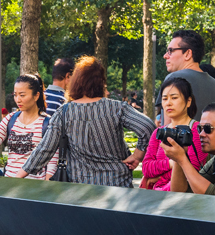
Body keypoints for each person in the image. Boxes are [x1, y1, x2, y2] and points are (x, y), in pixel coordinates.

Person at [17, 55, 153, 186]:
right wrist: (137, 155)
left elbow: (45, 149)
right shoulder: (117, 108)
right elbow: (148, 127)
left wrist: (18, 177)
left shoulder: (64, 112)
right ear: (102, 81)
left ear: (76, 81)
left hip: (80, 188)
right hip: (116, 184)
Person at [0, 73, 57, 179]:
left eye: (22, 95)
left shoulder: (48, 123)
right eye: (15, 95)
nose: (18, 100)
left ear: (36, 96)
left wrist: (45, 188)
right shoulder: (10, 119)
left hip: (35, 188)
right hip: (9, 185)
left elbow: (52, 164)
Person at [141, 77, 206, 192]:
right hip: (157, 198)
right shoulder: (159, 132)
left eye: (174, 98)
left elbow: (192, 171)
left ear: (188, 101)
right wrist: (171, 163)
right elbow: (146, 168)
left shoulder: (197, 131)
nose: (168, 103)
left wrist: (160, 177)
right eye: (165, 99)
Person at [162, 29, 215, 113]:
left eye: (170, 51)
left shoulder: (173, 79)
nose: (165, 56)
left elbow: (167, 124)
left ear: (188, 54)